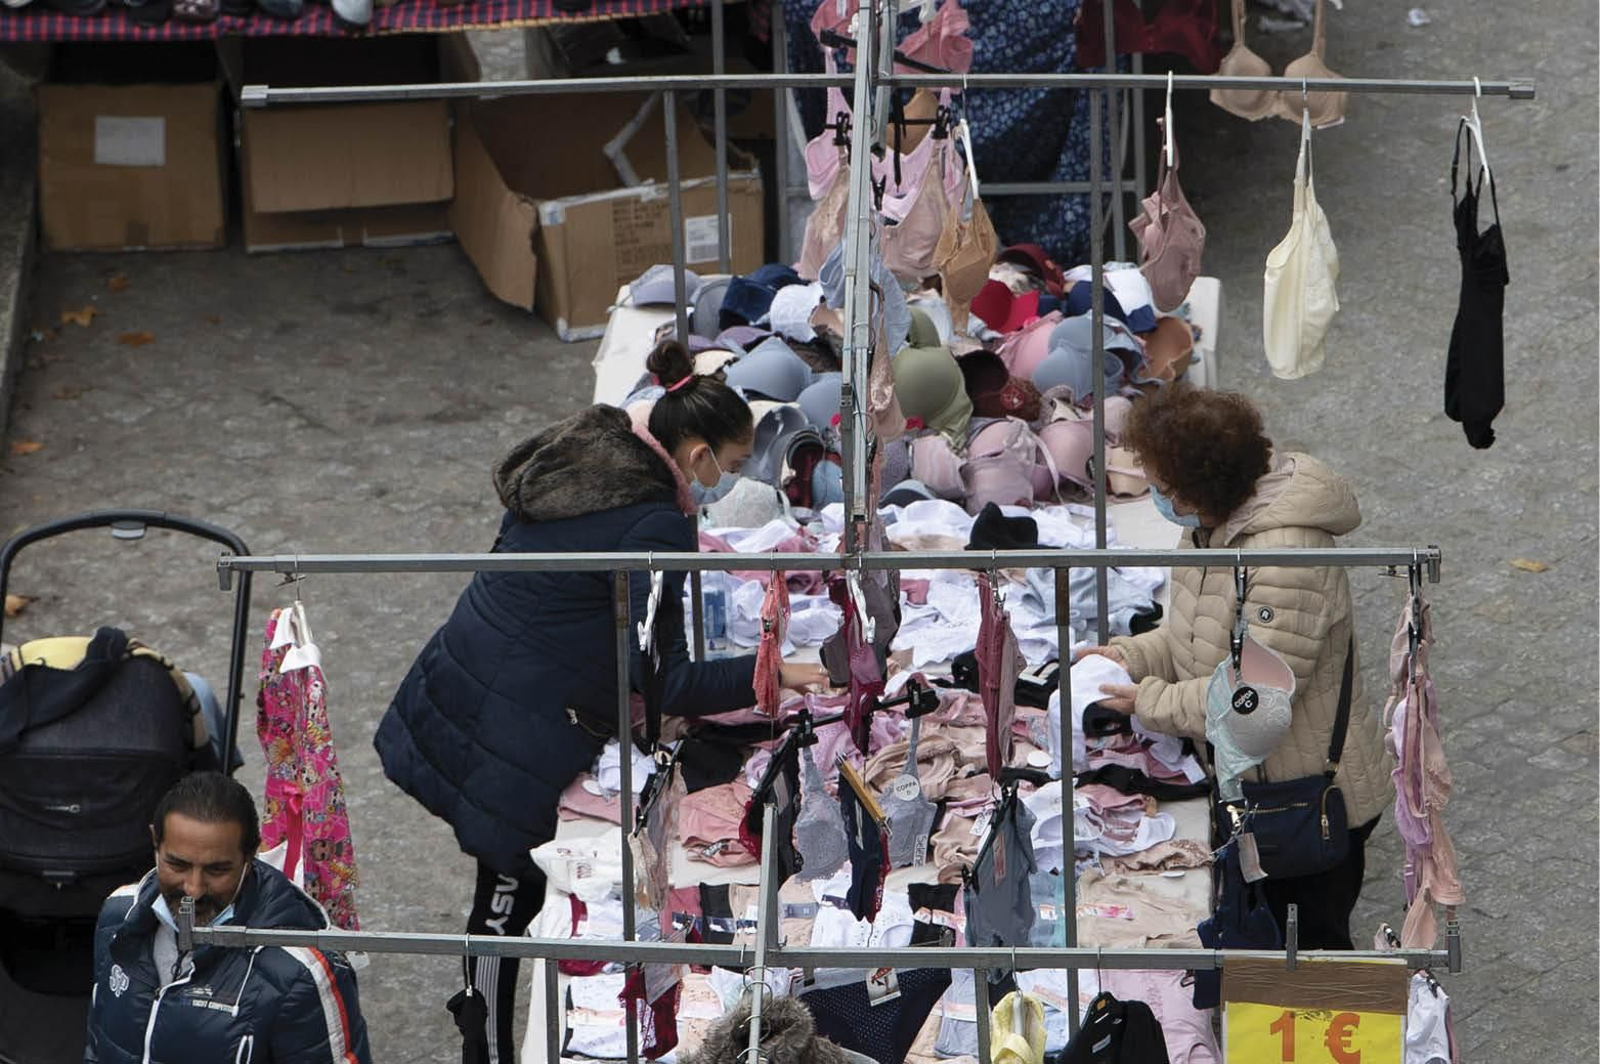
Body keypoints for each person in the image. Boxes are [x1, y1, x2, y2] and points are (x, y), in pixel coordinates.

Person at [375, 340, 830, 1064]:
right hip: (513, 723)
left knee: (504, 889)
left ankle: (481, 1028)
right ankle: (483, 1045)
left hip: (476, 683)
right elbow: (669, 680)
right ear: (700, 453)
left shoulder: (594, 461)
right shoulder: (655, 523)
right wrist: (780, 673)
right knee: (507, 892)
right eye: (734, 466)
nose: (730, 482)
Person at [1078, 384, 1393, 949]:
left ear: (1204, 482)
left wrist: (1149, 701)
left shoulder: (1284, 557)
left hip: (1305, 795)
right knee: (1265, 942)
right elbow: (1191, 635)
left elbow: (1253, 697)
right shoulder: (1207, 527)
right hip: (1259, 786)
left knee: (1309, 958)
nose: (1155, 496)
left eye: (1164, 487)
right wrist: (1130, 655)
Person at [84, 771, 371, 1063]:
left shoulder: (301, 972)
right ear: (155, 842)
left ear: (250, 858)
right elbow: (97, 1046)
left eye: (217, 870)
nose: (193, 890)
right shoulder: (118, 915)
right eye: (177, 865)